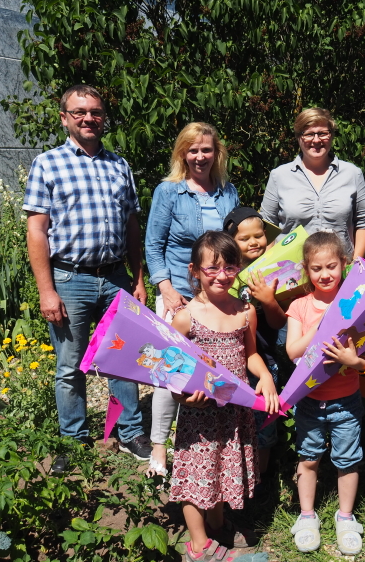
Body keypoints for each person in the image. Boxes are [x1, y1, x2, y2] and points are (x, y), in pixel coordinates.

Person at [23, 84, 151, 472]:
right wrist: (47, 290)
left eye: (94, 112)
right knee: (70, 364)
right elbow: (36, 230)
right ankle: (74, 440)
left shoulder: (119, 165)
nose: (88, 118)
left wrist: (138, 278)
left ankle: (130, 432)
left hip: (114, 277)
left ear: (103, 118)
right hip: (70, 279)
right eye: (79, 112)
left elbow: (132, 227)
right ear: (64, 117)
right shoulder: (47, 164)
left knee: (123, 358)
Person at [169, 231, 277, 562]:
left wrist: (267, 377)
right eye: (212, 268)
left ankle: (217, 525)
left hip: (234, 412)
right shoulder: (186, 317)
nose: (221, 275)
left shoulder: (246, 311)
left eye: (229, 267)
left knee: (219, 467)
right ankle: (199, 546)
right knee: (196, 473)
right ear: (195, 270)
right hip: (198, 414)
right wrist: (184, 399)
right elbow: (168, 369)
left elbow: (251, 355)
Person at [144, 123, 240, 478]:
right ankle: (158, 446)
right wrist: (166, 288)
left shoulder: (228, 192)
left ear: (217, 153)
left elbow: (234, 244)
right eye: (193, 150)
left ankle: (210, 440)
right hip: (180, 293)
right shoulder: (169, 192)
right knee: (170, 372)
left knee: (215, 366)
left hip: (217, 293)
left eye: (207, 150)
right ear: (182, 153)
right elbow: (153, 245)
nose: (200, 157)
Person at [286, 232, 365, 556]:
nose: (325, 274)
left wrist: (354, 361)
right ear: (307, 269)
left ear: (344, 264)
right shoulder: (299, 306)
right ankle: (307, 516)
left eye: (331, 266)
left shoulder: (357, 304)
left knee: (348, 460)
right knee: (308, 459)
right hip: (309, 401)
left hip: (347, 400)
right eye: (317, 268)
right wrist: (320, 325)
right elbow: (292, 351)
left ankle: (345, 516)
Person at [223, 207, 286, 484]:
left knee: (266, 417)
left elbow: (277, 323)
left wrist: (269, 300)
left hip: (269, 356)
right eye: (244, 238)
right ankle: (242, 473)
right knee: (239, 419)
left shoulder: (278, 267)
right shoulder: (227, 276)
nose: (253, 242)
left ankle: (261, 480)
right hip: (238, 358)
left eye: (258, 235)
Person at [260, 108, 365, 259]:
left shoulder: (352, 174)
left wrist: (356, 261)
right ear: (298, 137)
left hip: (339, 269)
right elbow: (267, 226)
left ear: (331, 135)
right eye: (308, 134)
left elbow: (364, 221)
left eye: (322, 133)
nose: (316, 140)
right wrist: (270, 266)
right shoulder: (279, 176)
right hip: (291, 271)